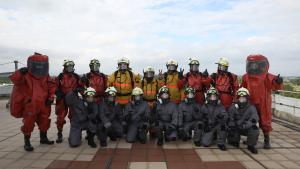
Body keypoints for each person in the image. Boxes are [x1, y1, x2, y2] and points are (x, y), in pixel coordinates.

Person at [9, 52, 55, 151]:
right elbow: (15, 80)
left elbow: (52, 87)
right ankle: (27, 142)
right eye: (38, 65)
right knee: (28, 123)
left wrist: (51, 98)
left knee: (45, 121)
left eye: (42, 65)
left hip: (44, 103)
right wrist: (20, 72)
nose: (40, 68)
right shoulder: (25, 74)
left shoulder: (46, 75)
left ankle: (43, 138)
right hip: (30, 104)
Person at [242, 54, 283, 149]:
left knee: (265, 120)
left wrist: (278, 82)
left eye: (257, 64)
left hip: (263, 102)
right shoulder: (246, 77)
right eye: (252, 64)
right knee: (249, 120)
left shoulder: (268, 76)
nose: (254, 66)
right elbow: (242, 89)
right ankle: (250, 139)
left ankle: (267, 140)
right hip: (250, 102)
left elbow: (275, 85)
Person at [227, 87, 259, 154]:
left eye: (243, 97)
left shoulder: (251, 107)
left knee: (254, 128)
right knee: (229, 127)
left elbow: (254, 119)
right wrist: (233, 125)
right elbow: (230, 118)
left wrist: (245, 125)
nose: (241, 99)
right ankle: (234, 140)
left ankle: (251, 145)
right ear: (238, 98)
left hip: (246, 127)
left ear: (247, 98)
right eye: (240, 97)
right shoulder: (233, 107)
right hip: (236, 127)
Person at [55, 59, 80, 143]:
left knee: (73, 117)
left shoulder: (76, 76)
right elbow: (55, 87)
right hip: (62, 99)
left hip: (73, 99)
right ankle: (59, 133)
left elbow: (81, 86)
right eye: (68, 66)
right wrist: (58, 93)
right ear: (65, 67)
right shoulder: (60, 76)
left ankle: (73, 134)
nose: (70, 68)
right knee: (60, 117)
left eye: (71, 66)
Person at [141, 66, 162, 138]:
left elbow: (160, 89)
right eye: (147, 74)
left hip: (153, 102)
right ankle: (143, 132)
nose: (149, 76)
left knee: (153, 118)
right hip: (144, 102)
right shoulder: (142, 82)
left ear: (153, 74)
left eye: (151, 74)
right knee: (145, 117)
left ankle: (152, 132)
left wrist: (160, 79)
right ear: (145, 74)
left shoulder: (156, 82)